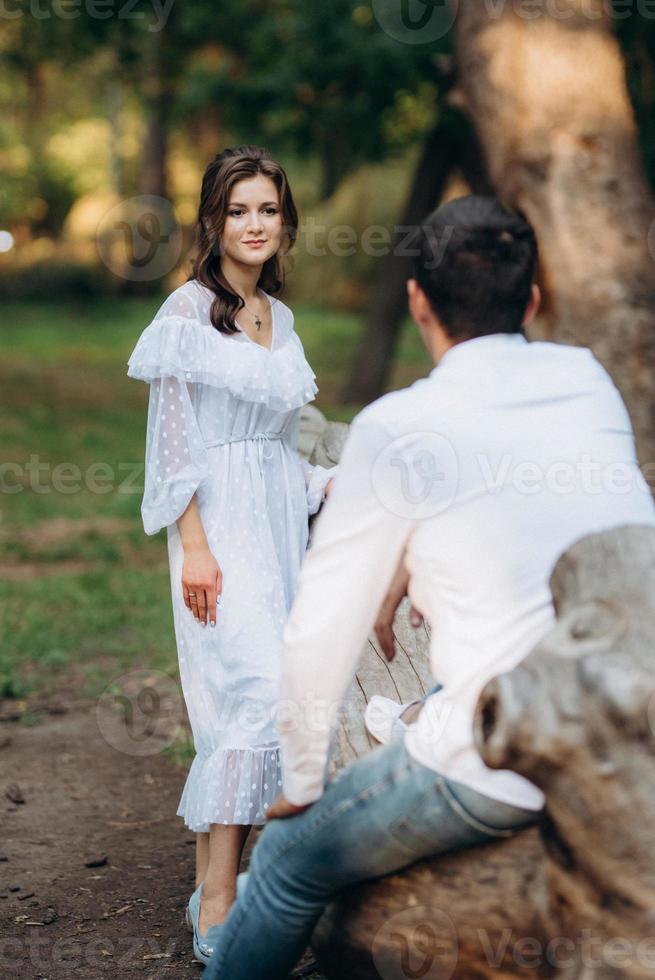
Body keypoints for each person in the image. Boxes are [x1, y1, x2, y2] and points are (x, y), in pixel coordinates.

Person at [203, 194, 655, 980]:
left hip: (508, 757)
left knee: (282, 863)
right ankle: (412, 715)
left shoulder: (399, 423)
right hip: (631, 711)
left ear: (417, 301)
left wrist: (303, 779)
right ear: (534, 298)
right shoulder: (585, 378)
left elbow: (318, 628)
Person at [126, 145, 337, 965]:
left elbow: (277, 446)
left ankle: (216, 883)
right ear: (212, 220)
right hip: (216, 532)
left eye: (268, 210)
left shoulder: (278, 321)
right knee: (245, 701)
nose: (255, 225)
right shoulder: (185, 313)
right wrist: (195, 549)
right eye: (239, 210)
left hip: (277, 524)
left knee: (272, 704)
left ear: (284, 221)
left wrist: (328, 487)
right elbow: (170, 448)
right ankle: (218, 903)